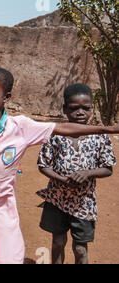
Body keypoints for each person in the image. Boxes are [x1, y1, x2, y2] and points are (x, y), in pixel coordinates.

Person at [0, 67, 119, 264]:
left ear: (6, 96)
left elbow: (62, 128)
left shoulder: (20, 126)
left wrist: (107, 128)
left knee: (8, 256)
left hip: (1, 202)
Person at [36, 83, 116, 264]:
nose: (80, 112)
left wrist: (88, 173)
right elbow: (43, 165)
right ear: (65, 109)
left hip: (84, 202)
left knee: (80, 247)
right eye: (74, 108)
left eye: (85, 108)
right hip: (57, 198)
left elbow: (107, 168)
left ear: (92, 109)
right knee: (58, 241)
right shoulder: (55, 134)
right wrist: (61, 179)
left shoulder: (100, 136)